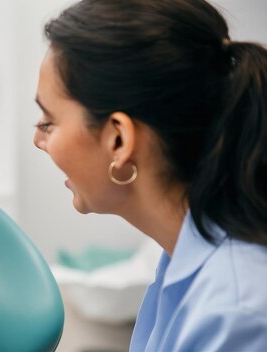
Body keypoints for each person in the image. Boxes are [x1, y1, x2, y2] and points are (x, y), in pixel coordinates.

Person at [33, 0, 267, 350]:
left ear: (118, 139)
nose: (38, 139)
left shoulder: (236, 313)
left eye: (49, 122)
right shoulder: (181, 257)